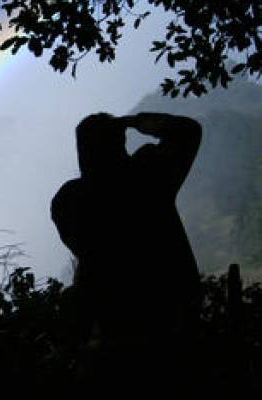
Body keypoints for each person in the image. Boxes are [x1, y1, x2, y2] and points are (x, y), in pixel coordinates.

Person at [51, 112, 202, 391]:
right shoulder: (148, 175)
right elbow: (188, 129)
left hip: (107, 331)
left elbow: (85, 249)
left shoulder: (68, 201)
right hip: (169, 323)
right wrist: (135, 121)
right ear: (120, 143)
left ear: (81, 150)